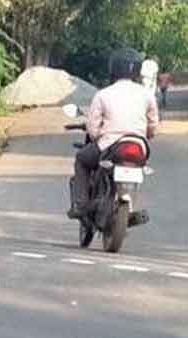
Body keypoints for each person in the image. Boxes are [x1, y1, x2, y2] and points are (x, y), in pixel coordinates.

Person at [68, 48, 160, 219]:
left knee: (81, 159)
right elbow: (153, 124)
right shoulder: (147, 95)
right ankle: (131, 205)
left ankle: (80, 204)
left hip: (109, 146)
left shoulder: (103, 94)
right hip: (139, 146)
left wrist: (96, 136)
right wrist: (147, 135)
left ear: (113, 69)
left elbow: (93, 127)